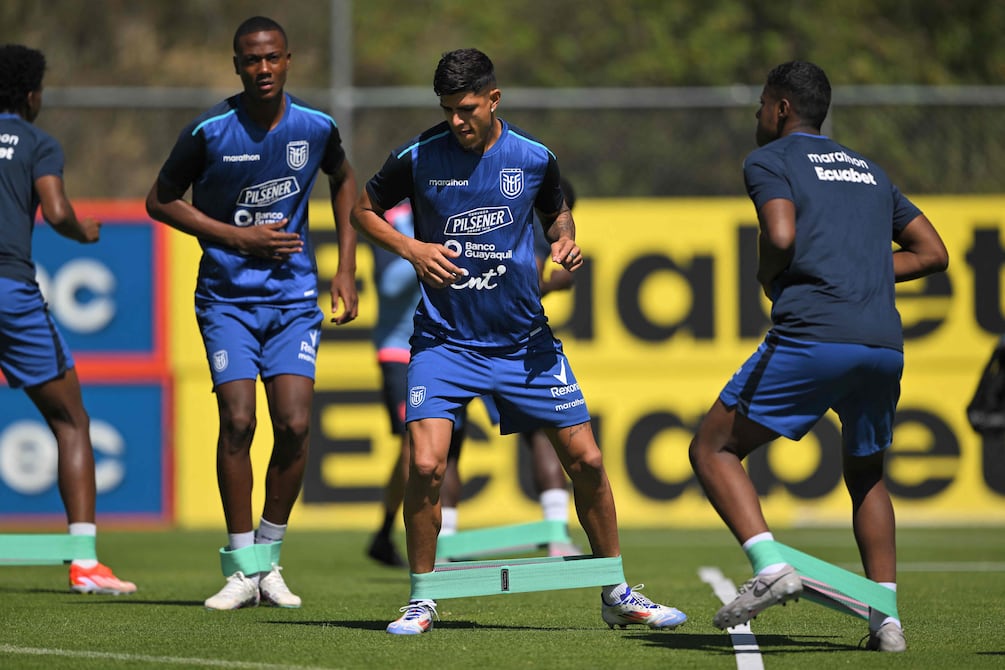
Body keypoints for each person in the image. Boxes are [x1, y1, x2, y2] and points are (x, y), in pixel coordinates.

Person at [352, 48, 686, 635]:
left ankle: (615, 590)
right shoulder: (417, 156)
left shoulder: (533, 158)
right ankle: (423, 596)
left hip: (524, 344)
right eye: (449, 109)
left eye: (468, 108)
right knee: (426, 465)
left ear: (494, 98)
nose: (458, 119)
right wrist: (413, 249)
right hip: (443, 343)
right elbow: (362, 211)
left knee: (587, 460)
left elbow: (557, 212)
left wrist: (564, 241)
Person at [687, 61, 949, 652]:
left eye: (760, 104)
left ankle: (771, 565)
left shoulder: (769, 160)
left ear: (781, 108)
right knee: (866, 475)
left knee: (713, 448)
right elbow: (933, 253)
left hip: (814, 334)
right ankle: (887, 622)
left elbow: (779, 237)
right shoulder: (870, 172)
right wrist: (856, 269)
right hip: (884, 343)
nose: (757, 114)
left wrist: (767, 271)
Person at [145, 16, 358, 610]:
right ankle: (241, 568)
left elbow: (343, 178)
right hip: (226, 301)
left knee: (293, 425)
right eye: (249, 61)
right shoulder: (209, 131)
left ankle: (268, 561)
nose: (261, 69)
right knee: (238, 420)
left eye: (271, 58)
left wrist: (346, 266)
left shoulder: (316, 126)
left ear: (288, 60)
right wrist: (235, 239)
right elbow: (158, 201)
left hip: (292, 299)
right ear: (235, 65)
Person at [0, 44, 136, 595]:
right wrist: (85, 231)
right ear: (33, 95)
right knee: (71, 421)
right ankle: (84, 563)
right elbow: (55, 212)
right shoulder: (37, 141)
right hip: (10, 292)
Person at [438, 178, 581, 557]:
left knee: (449, 443)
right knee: (541, 432)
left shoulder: (481, 212)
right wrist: (555, 283)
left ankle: (445, 543)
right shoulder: (529, 221)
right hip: (505, 344)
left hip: (455, 337)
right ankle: (556, 535)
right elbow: (527, 282)